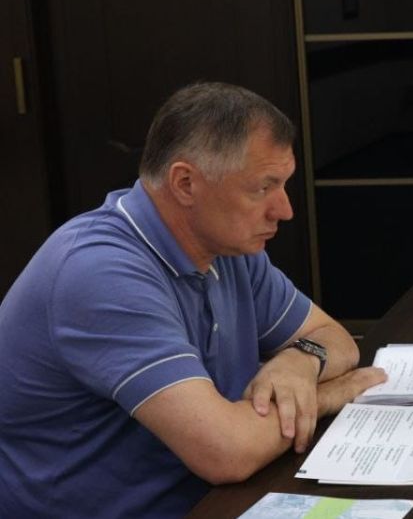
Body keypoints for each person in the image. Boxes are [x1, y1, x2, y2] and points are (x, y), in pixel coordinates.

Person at [0, 82, 386, 517]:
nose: (284, 210)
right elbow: (227, 453)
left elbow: (335, 338)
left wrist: (299, 362)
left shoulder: (228, 249)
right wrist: (333, 393)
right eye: (263, 188)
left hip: (206, 497)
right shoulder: (99, 273)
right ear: (185, 183)